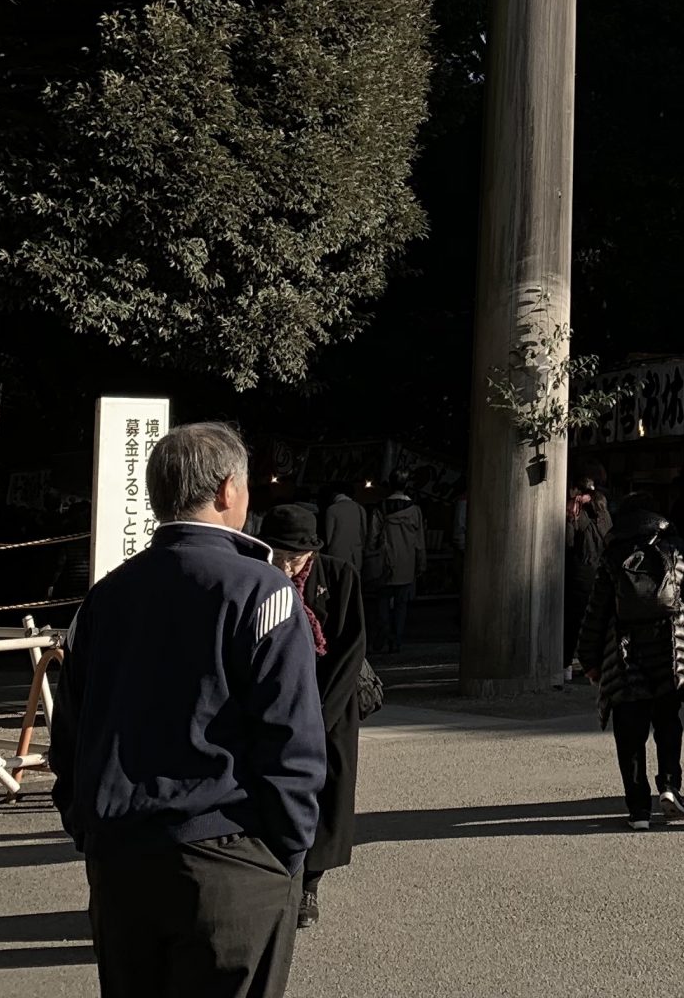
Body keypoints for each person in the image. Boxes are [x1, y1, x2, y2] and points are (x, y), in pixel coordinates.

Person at [50, 422, 324, 998]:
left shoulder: (105, 597)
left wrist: (88, 827)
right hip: (230, 854)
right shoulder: (264, 592)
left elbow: (70, 732)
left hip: (121, 857)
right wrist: (287, 853)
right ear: (228, 490)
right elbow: (292, 740)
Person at [577, 490, 684, 826]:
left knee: (630, 733)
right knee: (667, 722)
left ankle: (638, 809)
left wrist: (590, 660)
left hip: (625, 654)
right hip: (671, 650)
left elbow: (595, 613)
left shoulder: (613, 555)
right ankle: (670, 786)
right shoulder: (675, 549)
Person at [259, 503, 368, 929]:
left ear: (313, 553)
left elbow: (351, 649)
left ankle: (311, 882)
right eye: (279, 555)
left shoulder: (339, 577)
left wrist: (321, 717)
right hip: (273, 701)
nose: (286, 565)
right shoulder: (256, 577)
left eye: (295, 557)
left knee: (328, 787)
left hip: (328, 704)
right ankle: (273, 874)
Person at [365, 478, 426, 655]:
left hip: (385, 562)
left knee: (382, 601)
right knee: (401, 605)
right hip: (406, 563)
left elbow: (372, 537)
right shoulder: (415, 510)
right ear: (407, 485)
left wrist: (370, 557)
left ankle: (384, 632)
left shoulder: (381, 508)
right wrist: (421, 563)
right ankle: (396, 640)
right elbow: (419, 541)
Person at [561, 475, 611, 685]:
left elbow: (569, 543)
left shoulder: (578, 512)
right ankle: (594, 665)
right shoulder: (603, 513)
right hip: (599, 573)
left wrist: (570, 520)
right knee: (597, 622)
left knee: (573, 623)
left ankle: (566, 667)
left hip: (580, 574)